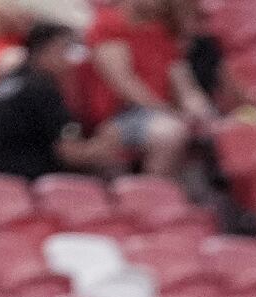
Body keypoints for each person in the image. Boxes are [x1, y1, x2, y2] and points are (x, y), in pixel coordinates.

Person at [78, 0, 209, 180]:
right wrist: (169, 111)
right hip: (120, 115)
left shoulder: (158, 30)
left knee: (210, 123)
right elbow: (123, 82)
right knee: (169, 133)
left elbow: (183, 82)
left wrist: (198, 109)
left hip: (158, 112)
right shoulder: (108, 25)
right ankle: (150, 198)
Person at [0, 22, 123, 179]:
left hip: (1, 176)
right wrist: (104, 146)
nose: (70, 60)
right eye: (65, 50)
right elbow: (69, 153)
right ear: (45, 51)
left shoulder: (6, 82)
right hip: (34, 179)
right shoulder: (41, 90)